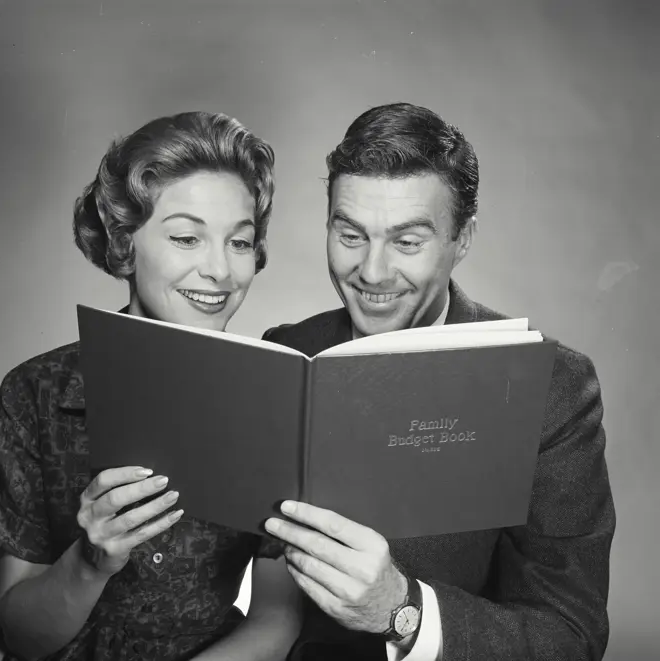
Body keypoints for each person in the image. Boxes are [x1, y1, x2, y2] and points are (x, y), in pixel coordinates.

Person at [260, 103, 616, 661]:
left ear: (463, 238)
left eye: (406, 242)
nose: (372, 273)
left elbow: (572, 634)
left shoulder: (553, 387)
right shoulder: (283, 352)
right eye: (350, 235)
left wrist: (402, 612)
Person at [0, 111, 301, 661]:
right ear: (125, 243)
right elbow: (21, 639)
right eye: (185, 238)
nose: (220, 271)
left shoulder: (280, 402)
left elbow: (276, 620)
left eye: (240, 243)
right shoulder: (34, 394)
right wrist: (89, 561)